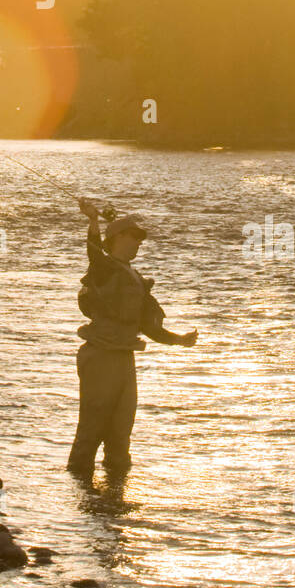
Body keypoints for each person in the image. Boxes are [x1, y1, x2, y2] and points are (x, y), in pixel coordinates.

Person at [67, 197, 198, 478]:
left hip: (125, 357)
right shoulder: (103, 268)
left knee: (121, 428)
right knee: (92, 425)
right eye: (133, 237)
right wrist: (92, 221)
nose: (138, 243)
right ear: (116, 239)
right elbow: (93, 251)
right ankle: (78, 489)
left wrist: (179, 340)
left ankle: (115, 494)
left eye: (140, 239)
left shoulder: (137, 279)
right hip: (100, 356)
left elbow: (149, 327)